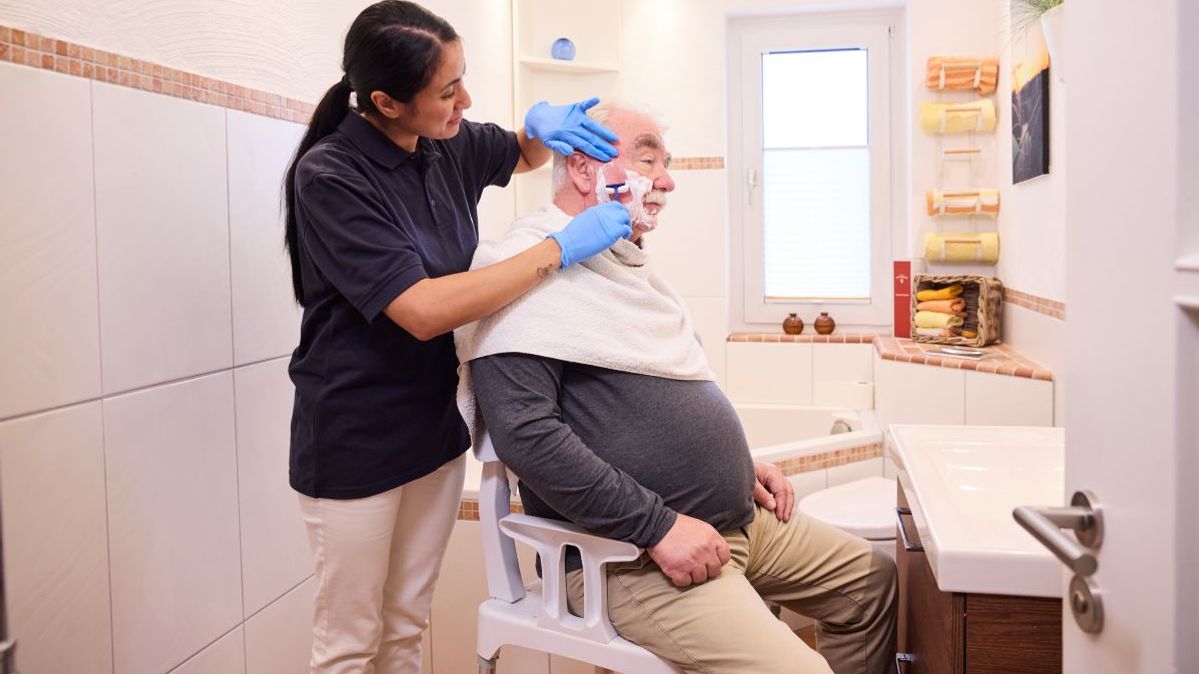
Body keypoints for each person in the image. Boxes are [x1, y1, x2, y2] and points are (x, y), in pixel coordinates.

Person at [458, 102, 898, 674]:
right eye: (648, 160)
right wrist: (657, 526)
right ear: (585, 169)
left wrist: (737, 468)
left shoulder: (625, 273)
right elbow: (528, 438)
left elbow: (661, 395)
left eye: (666, 163)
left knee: (873, 583)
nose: (667, 181)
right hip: (625, 555)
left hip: (738, 519)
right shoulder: (522, 272)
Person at [281, 3, 634, 672]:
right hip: (355, 438)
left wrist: (539, 127)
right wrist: (557, 249)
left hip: (433, 430)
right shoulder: (331, 175)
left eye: (462, 79)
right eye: (448, 91)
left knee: (405, 626)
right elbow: (421, 310)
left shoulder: (442, 143)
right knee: (349, 644)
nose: (465, 102)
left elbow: (520, 152)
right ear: (386, 103)